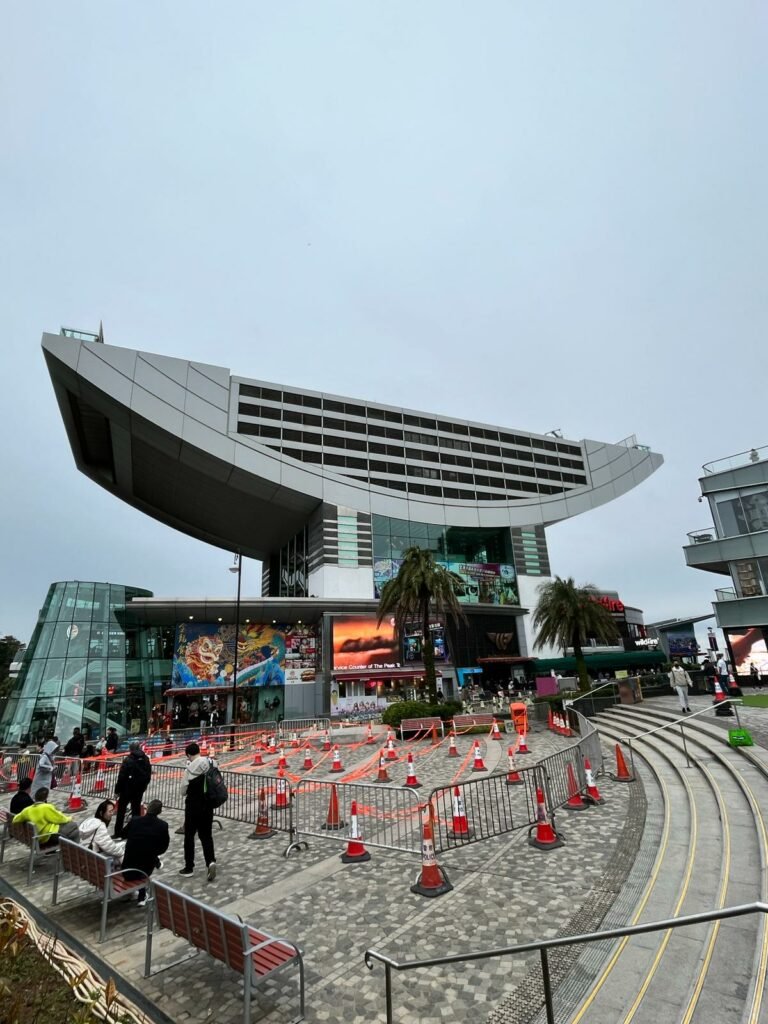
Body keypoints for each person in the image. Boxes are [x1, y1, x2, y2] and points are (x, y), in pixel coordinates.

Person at [179, 742, 216, 881]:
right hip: (208, 805)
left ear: (188, 755)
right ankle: (210, 861)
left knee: (189, 836)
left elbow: (183, 791)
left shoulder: (189, 770)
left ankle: (189, 867)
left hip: (193, 807)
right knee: (207, 836)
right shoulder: (210, 763)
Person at [122, 799, 170, 908]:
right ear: (160, 811)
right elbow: (163, 847)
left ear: (147, 808)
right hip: (145, 867)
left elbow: (123, 834)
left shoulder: (135, 820)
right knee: (146, 854)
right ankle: (142, 896)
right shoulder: (162, 825)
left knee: (139, 852)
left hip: (127, 865)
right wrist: (154, 853)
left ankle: (138, 894)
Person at [12, 787, 79, 846]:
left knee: (72, 832)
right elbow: (60, 819)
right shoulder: (46, 807)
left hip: (36, 836)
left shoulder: (27, 810)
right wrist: (70, 818)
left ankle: (68, 849)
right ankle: (73, 850)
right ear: (46, 797)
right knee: (74, 826)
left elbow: (15, 819)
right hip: (46, 836)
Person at [114, 741, 152, 839]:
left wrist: (117, 790)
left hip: (126, 789)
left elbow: (121, 777)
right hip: (139, 789)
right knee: (136, 811)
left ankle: (118, 832)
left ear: (130, 749)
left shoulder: (128, 760)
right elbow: (148, 774)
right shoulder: (145, 758)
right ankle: (135, 831)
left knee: (121, 811)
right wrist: (144, 786)